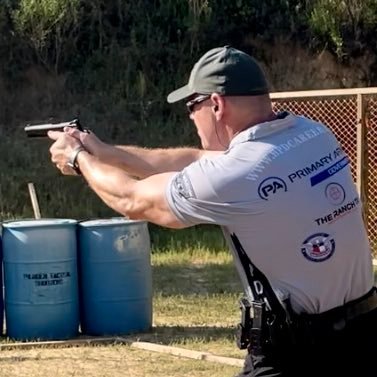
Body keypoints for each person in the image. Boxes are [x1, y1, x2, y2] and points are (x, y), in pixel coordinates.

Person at [48, 46, 377, 377]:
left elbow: (131, 200)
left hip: (294, 350)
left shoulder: (237, 175)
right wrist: (105, 152)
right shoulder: (312, 133)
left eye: (193, 106)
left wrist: (79, 159)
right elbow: (195, 160)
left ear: (216, 105)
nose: (191, 116)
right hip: (362, 333)